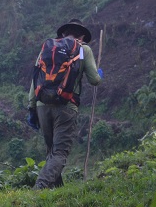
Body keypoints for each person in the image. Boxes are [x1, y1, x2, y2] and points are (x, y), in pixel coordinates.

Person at [27, 19, 102, 189]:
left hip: (41, 106)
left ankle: (56, 190)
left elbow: (35, 78)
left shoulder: (47, 48)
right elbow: (94, 80)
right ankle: (39, 188)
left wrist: (31, 106)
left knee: (52, 151)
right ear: (82, 35)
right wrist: (100, 74)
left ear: (63, 33)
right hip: (66, 106)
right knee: (59, 153)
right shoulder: (83, 49)